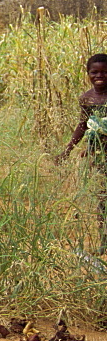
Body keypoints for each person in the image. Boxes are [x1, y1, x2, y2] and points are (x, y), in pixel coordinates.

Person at [57, 53, 107, 252]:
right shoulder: (86, 98)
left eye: (104, 72)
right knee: (102, 196)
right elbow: (83, 125)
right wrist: (67, 151)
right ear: (87, 74)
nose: (99, 76)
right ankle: (104, 241)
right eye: (94, 72)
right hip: (99, 154)